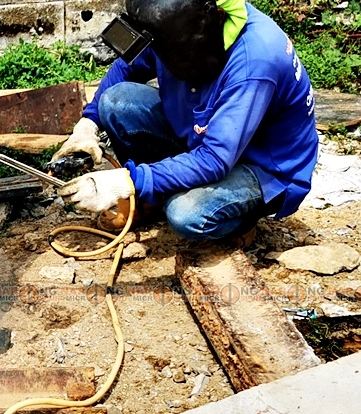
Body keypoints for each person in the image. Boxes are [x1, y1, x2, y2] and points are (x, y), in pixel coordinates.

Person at [52, 0, 319, 244]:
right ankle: (148, 200)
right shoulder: (169, 25)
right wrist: (87, 125)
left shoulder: (255, 60)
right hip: (204, 136)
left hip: (262, 165)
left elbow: (214, 159)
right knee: (115, 101)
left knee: (185, 213)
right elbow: (126, 67)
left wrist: (127, 181)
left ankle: (240, 223)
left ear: (212, 22)